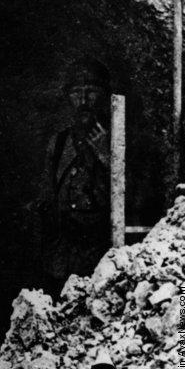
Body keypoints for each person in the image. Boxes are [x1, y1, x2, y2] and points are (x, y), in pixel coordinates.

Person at [38, 57, 111, 295]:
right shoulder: (59, 143)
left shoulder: (120, 142)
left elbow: (135, 201)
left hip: (102, 256)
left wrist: (106, 154)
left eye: (91, 92)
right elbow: (47, 198)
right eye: (76, 92)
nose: (83, 100)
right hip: (62, 256)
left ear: (104, 95)